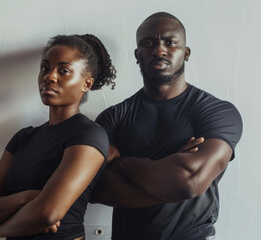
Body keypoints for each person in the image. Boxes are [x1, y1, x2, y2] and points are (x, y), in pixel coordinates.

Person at [91, 12, 243, 240]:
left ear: (186, 53)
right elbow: (96, 189)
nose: (159, 50)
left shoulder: (216, 112)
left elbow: (190, 182)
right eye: (148, 43)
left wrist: (122, 163)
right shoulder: (113, 118)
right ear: (137, 54)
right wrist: (169, 174)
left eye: (170, 42)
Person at [0, 34, 117, 240]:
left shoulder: (89, 134)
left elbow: (48, 213)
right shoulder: (24, 138)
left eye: (64, 71)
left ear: (86, 84)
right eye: (45, 68)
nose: (50, 76)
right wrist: (27, 197)